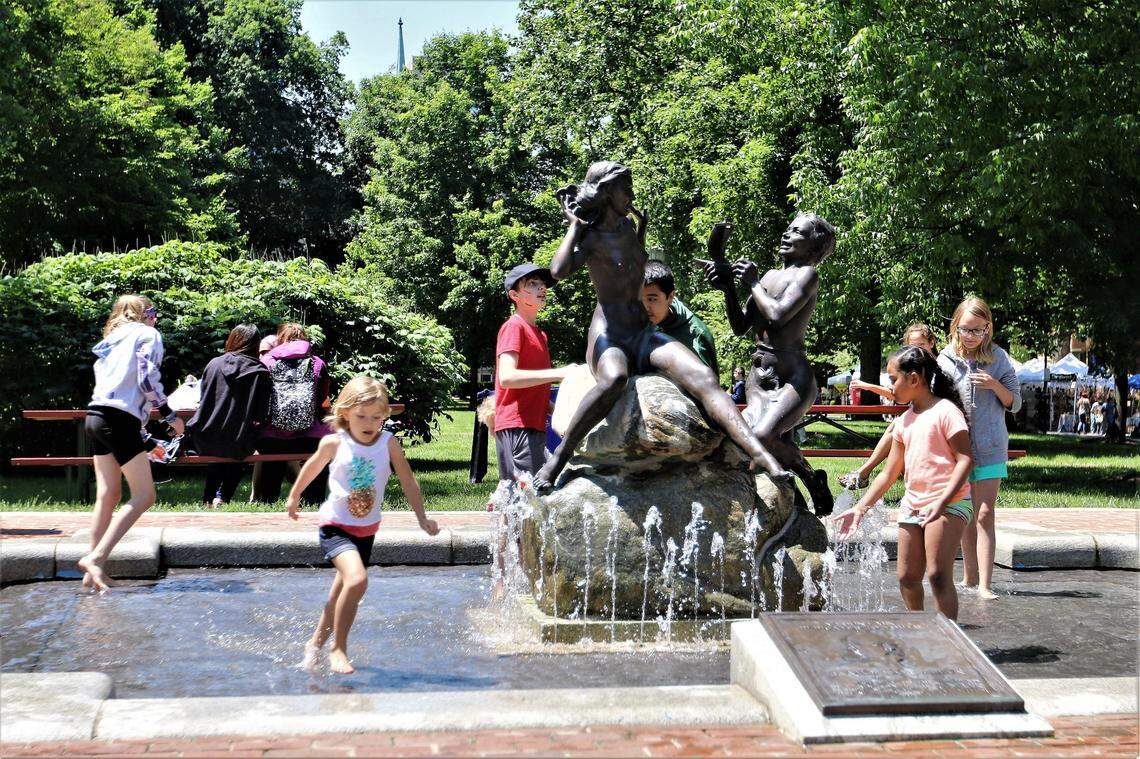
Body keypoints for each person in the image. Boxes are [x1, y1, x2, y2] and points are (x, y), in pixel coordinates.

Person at [535, 162, 784, 491]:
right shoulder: (591, 236)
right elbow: (557, 271)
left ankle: (759, 452)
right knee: (615, 380)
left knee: (704, 377)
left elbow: (634, 264)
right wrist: (574, 226)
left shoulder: (626, 226)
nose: (632, 195)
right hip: (609, 335)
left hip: (642, 333)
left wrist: (641, 229)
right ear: (607, 193)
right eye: (627, 189)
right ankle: (558, 458)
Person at [290, 376, 439, 675]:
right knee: (357, 581)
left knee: (340, 593)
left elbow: (408, 481)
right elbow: (313, 466)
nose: (369, 423)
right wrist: (294, 496)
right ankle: (339, 649)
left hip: (366, 529)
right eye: (361, 416)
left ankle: (313, 645)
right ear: (345, 412)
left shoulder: (388, 444)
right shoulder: (335, 442)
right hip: (335, 526)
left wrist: (422, 517)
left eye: (377, 417)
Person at [703, 215, 837, 514]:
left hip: (793, 377)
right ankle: (793, 496)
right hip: (759, 375)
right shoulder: (769, 276)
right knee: (749, 439)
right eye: (788, 229)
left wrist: (751, 282)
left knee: (761, 436)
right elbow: (740, 325)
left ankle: (809, 476)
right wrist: (728, 288)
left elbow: (777, 315)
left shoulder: (807, 275)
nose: (787, 235)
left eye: (797, 232)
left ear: (814, 245)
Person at [834, 346, 973, 621]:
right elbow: (889, 473)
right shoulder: (903, 422)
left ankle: (950, 637)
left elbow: (966, 460)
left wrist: (942, 501)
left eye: (893, 379)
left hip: (950, 502)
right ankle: (919, 628)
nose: (889, 386)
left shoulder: (946, 412)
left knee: (937, 574)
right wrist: (861, 508)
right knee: (907, 578)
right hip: (913, 505)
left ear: (914, 378)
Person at [79, 295, 184, 592]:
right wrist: (168, 415)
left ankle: (92, 574)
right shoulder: (148, 334)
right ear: (144, 314)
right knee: (145, 495)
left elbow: (115, 390)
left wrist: (145, 438)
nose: (155, 318)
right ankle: (96, 558)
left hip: (95, 417)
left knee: (108, 494)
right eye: (153, 313)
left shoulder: (112, 339)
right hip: (117, 421)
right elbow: (146, 379)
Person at [937, 296, 1021, 601]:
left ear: (988, 329)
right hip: (956, 450)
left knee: (985, 513)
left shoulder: (998, 358)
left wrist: (995, 386)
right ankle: (969, 577)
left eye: (979, 331)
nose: (972, 336)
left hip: (991, 445)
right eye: (966, 330)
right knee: (966, 514)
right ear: (955, 326)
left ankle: (985, 583)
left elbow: (1016, 402)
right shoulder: (944, 360)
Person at [494, 264, 571, 483]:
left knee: (525, 501)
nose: (542, 288)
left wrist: (559, 415)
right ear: (514, 295)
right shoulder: (514, 327)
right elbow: (507, 378)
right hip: (518, 425)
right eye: (532, 284)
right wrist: (559, 373)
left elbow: (534, 389)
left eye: (542, 283)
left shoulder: (540, 335)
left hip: (533, 425)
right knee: (527, 499)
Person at [838, 324, 938, 489]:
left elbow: (899, 396)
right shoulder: (913, 367)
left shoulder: (938, 365)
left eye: (921, 345)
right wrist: (868, 386)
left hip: (931, 421)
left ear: (932, 342)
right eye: (911, 346)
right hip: (917, 419)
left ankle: (864, 474)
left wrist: (867, 386)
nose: (916, 350)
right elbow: (898, 395)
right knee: (899, 446)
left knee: (898, 428)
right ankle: (865, 475)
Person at [187, 324, 272, 508]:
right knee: (240, 442)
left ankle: (208, 499)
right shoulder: (260, 372)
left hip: (205, 437)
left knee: (221, 444)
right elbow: (261, 414)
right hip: (239, 441)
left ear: (232, 339)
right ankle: (223, 497)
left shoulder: (213, 364)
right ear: (256, 345)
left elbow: (204, 399)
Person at [256, 323, 332, 504]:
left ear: (279, 339)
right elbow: (321, 398)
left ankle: (267, 499)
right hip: (308, 438)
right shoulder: (317, 363)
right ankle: (313, 499)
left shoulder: (266, 362)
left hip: (272, 439)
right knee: (323, 446)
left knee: (270, 452)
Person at [640, 260, 719, 376]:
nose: (645, 307)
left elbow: (708, 384)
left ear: (670, 296)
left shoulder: (696, 335)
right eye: (639, 299)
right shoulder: (630, 322)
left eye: (652, 299)